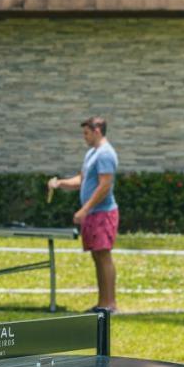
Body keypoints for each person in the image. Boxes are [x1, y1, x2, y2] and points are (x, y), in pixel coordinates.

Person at [47, 116, 119, 313]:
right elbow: (83, 179)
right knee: (97, 256)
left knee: (104, 256)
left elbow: (105, 185)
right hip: (93, 213)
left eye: (86, 133)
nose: (84, 137)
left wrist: (85, 209)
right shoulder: (91, 154)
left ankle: (109, 304)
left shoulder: (106, 153)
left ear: (97, 131)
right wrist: (60, 183)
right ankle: (102, 303)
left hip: (103, 213)